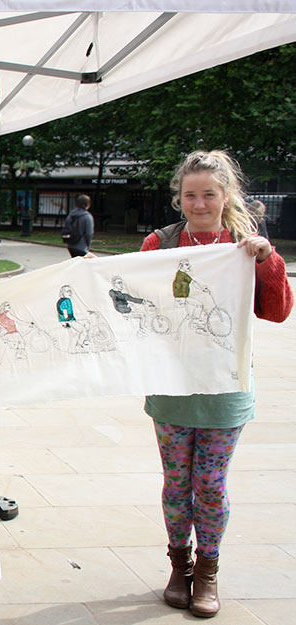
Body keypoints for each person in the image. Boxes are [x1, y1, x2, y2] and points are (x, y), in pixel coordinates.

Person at [141, 150, 292, 619]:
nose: (199, 203)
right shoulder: (160, 243)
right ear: (179, 198)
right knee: (175, 483)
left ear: (225, 196)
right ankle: (178, 565)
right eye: (190, 195)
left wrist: (267, 262)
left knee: (209, 482)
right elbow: (134, 304)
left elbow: (276, 310)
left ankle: (207, 570)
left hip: (225, 388)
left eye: (208, 194)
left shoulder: (247, 244)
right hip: (173, 386)